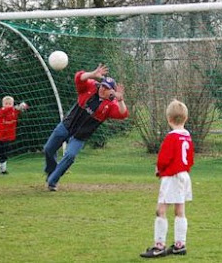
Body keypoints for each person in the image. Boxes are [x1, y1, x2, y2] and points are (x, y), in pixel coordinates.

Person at [44, 64, 128, 191]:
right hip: (68, 125)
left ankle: (52, 181)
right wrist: (93, 73)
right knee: (48, 149)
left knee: (70, 156)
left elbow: (123, 114)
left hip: (81, 136)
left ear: (112, 92)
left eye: (107, 88)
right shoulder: (91, 87)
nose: (102, 89)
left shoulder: (110, 105)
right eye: (103, 85)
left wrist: (121, 100)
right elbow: (79, 77)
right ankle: (51, 172)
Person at [140, 99, 194, 258]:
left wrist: (159, 170)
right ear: (185, 118)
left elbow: (163, 159)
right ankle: (180, 244)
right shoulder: (187, 136)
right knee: (180, 210)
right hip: (184, 176)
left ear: (169, 119)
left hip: (172, 177)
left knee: (161, 210)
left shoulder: (171, 137)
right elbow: (190, 159)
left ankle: (159, 246)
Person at [0, 96, 29, 175]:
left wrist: (22, 106)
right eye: (6, 103)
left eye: (10, 103)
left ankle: (3, 170)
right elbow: (6, 111)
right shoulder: (1, 111)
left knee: (4, 153)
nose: (8, 105)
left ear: (13, 103)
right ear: (2, 104)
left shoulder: (14, 111)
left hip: (7, 138)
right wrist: (14, 107)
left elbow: (25, 107)